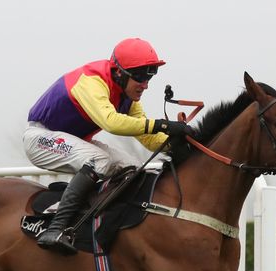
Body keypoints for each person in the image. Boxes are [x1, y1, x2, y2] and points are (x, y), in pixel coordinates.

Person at [23, 37, 195, 255]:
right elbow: (111, 122)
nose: (146, 84)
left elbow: (148, 137)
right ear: (119, 72)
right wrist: (162, 124)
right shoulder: (92, 82)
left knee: (133, 167)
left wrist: (178, 142)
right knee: (100, 161)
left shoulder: (128, 97)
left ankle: (104, 223)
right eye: (140, 77)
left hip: (70, 140)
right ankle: (55, 229)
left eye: (150, 76)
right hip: (40, 138)